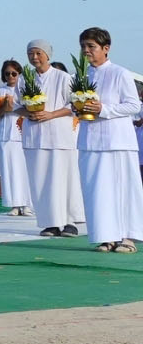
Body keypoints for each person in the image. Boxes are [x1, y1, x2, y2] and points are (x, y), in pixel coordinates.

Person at [75, 27, 142, 253]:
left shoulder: (120, 73)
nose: (86, 51)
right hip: (90, 141)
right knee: (97, 190)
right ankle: (106, 236)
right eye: (83, 46)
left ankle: (127, 237)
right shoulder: (80, 76)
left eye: (91, 46)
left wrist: (104, 109)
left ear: (106, 48)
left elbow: (134, 106)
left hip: (118, 141)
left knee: (123, 189)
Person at [21, 39, 84, 237]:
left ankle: (69, 222)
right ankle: (50, 223)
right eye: (31, 53)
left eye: (38, 53)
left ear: (48, 55)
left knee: (63, 179)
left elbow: (74, 105)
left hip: (59, 136)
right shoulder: (25, 79)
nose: (34, 57)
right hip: (35, 136)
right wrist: (28, 112)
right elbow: (15, 105)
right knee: (40, 180)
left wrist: (51, 114)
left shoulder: (63, 77)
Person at [0, 59, 31, 217]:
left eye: (14, 73)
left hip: (23, 133)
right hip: (5, 134)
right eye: (7, 74)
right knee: (9, 170)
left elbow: (30, 111)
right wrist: (4, 108)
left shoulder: (26, 91)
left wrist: (14, 106)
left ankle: (27, 203)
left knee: (25, 170)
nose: (11, 76)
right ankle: (14, 204)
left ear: (19, 74)